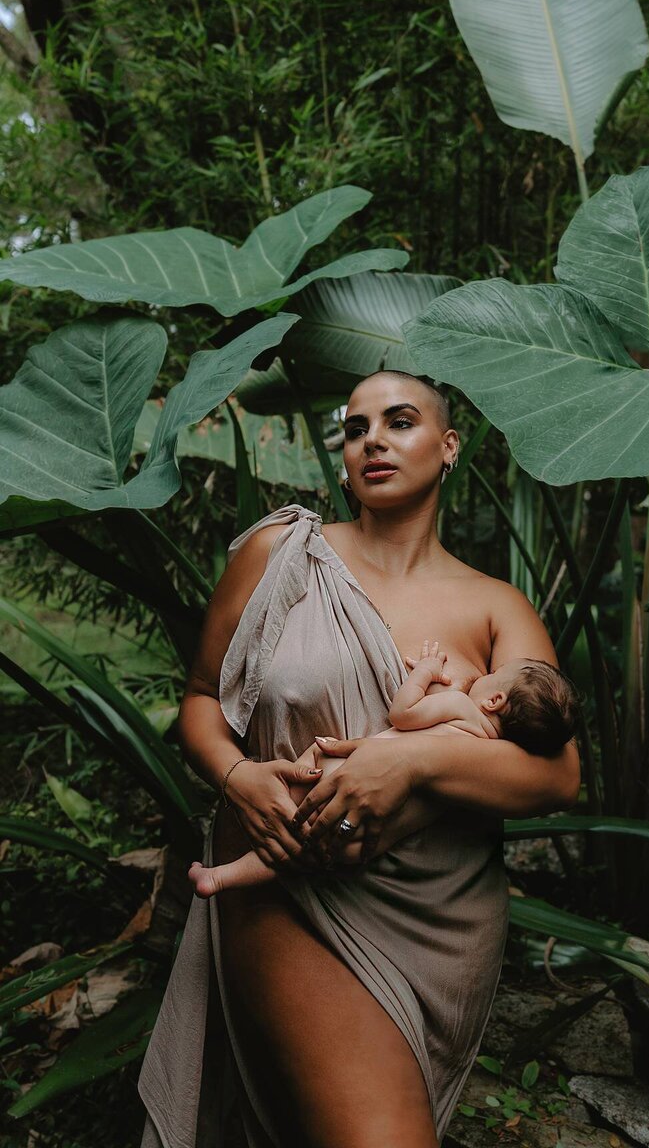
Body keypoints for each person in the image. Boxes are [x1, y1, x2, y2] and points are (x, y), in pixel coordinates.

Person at [137, 368, 581, 1148]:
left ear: (447, 448)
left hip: (439, 916)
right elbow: (202, 700)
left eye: (399, 421)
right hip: (288, 878)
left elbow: (557, 774)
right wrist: (238, 775)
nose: (372, 438)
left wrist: (408, 765)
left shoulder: (495, 605)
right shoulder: (283, 553)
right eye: (355, 428)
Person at [187, 641, 581, 897]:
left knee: (287, 822)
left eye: (491, 676)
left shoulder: (462, 708)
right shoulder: (486, 759)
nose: (483, 675)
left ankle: (221, 874)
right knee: (293, 851)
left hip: (337, 775)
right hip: (371, 835)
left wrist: (424, 673)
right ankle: (221, 878)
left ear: (494, 699)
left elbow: (403, 714)